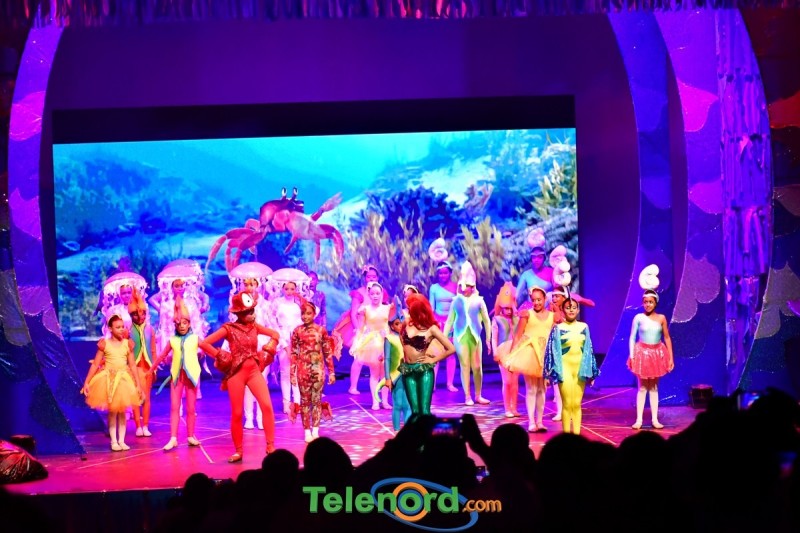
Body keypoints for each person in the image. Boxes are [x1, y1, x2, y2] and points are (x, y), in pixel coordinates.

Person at [200, 291, 280, 463]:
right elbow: (204, 343)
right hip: (236, 374)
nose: (253, 314)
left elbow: (275, 334)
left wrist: (269, 349)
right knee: (237, 413)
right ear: (240, 313)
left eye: (252, 311)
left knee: (267, 406)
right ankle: (238, 451)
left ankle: (270, 445)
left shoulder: (255, 327)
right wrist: (220, 355)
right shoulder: (228, 329)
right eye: (249, 312)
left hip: (254, 372)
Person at [82, 315, 143, 451]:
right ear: (110, 328)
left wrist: (138, 384)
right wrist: (87, 382)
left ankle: (121, 441)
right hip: (109, 380)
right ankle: (113, 441)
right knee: (113, 411)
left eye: (123, 327)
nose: (121, 329)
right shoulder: (105, 344)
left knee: (122, 411)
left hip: (123, 380)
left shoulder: (127, 344)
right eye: (118, 327)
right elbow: (95, 364)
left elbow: (132, 365)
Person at [150, 297, 203, 451]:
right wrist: (151, 369)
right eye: (179, 324)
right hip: (176, 378)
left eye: (184, 323)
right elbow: (161, 355)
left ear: (189, 324)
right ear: (175, 325)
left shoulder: (195, 339)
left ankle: (191, 436)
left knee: (191, 409)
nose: (182, 326)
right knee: (174, 407)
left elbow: (209, 349)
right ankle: (173, 438)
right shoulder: (172, 340)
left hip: (191, 378)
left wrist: (221, 356)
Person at [500, 287, 554, 432]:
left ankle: (540, 421)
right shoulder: (527, 314)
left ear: (545, 299)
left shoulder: (552, 316)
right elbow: (518, 335)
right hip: (530, 353)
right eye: (534, 300)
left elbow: (553, 336)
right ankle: (531, 422)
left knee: (542, 389)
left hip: (544, 354)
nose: (536, 303)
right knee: (532, 388)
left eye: (539, 300)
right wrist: (512, 355)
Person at [544, 297, 598, 435]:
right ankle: (567, 438)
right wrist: (548, 374)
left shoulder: (584, 327)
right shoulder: (558, 328)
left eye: (574, 307)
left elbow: (589, 350)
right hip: (565, 370)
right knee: (567, 403)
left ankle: (577, 437)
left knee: (577, 404)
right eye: (568, 308)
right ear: (563, 310)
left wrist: (592, 372)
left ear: (578, 310)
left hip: (580, 369)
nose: (571, 310)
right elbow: (550, 351)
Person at [628, 265, 674, 430]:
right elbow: (632, 337)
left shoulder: (661, 318)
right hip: (642, 353)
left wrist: (671, 358)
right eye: (645, 302)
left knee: (654, 387)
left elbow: (667, 338)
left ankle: (655, 419)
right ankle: (639, 420)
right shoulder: (638, 317)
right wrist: (632, 355)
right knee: (642, 388)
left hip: (657, 354)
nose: (647, 304)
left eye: (650, 302)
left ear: (655, 303)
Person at [443, 261, 492, 406]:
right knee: (465, 365)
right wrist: (444, 339)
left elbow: (487, 320)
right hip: (460, 337)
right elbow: (449, 321)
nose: (465, 288)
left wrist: (488, 339)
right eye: (463, 285)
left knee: (477, 367)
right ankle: (467, 396)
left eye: (468, 285)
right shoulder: (456, 301)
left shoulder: (479, 301)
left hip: (475, 338)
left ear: (473, 286)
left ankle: (478, 395)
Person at [400, 293, 456, 418]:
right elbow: (401, 336)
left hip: (424, 371)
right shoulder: (406, 323)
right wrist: (404, 355)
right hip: (408, 370)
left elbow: (451, 348)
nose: (408, 311)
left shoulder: (432, 329)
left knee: (424, 411)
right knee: (414, 411)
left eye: (410, 309)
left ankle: (426, 430)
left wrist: (433, 359)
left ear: (417, 310)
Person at [289, 299, 336, 443]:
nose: (305, 316)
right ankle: (307, 431)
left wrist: (331, 372)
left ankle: (315, 430)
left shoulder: (321, 330)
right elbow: (294, 353)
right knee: (304, 402)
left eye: (308, 313)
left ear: (314, 314)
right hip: (303, 370)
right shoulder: (297, 331)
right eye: (303, 313)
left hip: (318, 370)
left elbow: (327, 352)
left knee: (316, 400)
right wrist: (292, 373)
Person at [340, 265, 391, 395]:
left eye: (374, 277)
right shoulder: (360, 293)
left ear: (378, 278)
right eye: (369, 277)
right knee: (359, 358)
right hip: (362, 326)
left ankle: (381, 387)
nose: (371, 279)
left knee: (380, 358)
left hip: (377, 328)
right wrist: (359, 330)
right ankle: (353, 386)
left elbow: (385, 310)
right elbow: (353, 313)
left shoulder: (381, 291)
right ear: (364, 278)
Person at [349, 282, 392, 410]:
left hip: (385, 342)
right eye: (372, 293)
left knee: (385, 374)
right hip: (372, 344)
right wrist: (362, 335)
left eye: (377, 293)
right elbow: (361, 327)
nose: (375, 296)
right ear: (369, 295)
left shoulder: (387, 308)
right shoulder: (365, 309)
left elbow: (393, 325)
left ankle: (385, 401)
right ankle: (375, 401)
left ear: (382, 294)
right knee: (374, 373)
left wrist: (388, 333)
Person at [377, 302, 412, 431]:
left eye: (401, 322)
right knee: (398, 404)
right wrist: (387, 378)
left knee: (408, 404)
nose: (400, 325)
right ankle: (397, 430)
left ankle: (408, 431)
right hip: (396, 374)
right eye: (396, 324)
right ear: (391, 325)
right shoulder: (389, 338)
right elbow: (387, 359)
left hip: (408, 373)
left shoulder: (408, 337)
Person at [271, 281, 304, 415]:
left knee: (297, 372)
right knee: (285, 372)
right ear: (282, 289)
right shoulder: (277, 304)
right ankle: (286, 402)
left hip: (298, 339)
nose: (289, 291)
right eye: (287, 289)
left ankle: (297, 402)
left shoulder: (298, 304)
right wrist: (284, 343)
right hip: (283, 339)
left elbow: (306, 319)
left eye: (292, 289)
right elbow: (273, 323)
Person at [127, 288, 156, 438]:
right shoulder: (128, 331)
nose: (140, 317)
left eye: (143, 313)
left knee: (147, 398)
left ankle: (145, 425)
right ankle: (138, 425)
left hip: (148, 368)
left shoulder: (150, 330)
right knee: (136, 397)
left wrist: (154, 367)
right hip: (135, 368)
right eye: (136, 314)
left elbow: (153, 350)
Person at [490, 283, 520, 418]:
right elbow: (494, 338)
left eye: (510, 308)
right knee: (507, 381)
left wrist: (514, 307)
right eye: (506, 308)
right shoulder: (497, 320)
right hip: (503, 351)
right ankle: (507, 408)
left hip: (516, 351)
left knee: (515, 382)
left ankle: (514, 407)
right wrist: (495, 351)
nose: (508, 311)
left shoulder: (517, 319)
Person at [429, 260, 459, 392]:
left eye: (445, 273)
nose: (443, 275)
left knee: (451, 353)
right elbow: (431, 307)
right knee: (436, 353)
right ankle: (433, 383)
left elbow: (459, 306)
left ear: (450, 273)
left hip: (451, 323)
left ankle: (450, 383)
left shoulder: (456, 287)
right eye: (440, 273)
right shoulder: (434, 288)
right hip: (438, 322)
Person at [515, 229, 554, 308]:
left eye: (539, 257)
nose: (536, 260)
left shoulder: (551, 272)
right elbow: (516, 295)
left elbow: (559, 293)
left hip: (549, 310)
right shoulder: (526, 275)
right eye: (534, 257)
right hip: (531, 310)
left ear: (544, 258)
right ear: (531, 259)